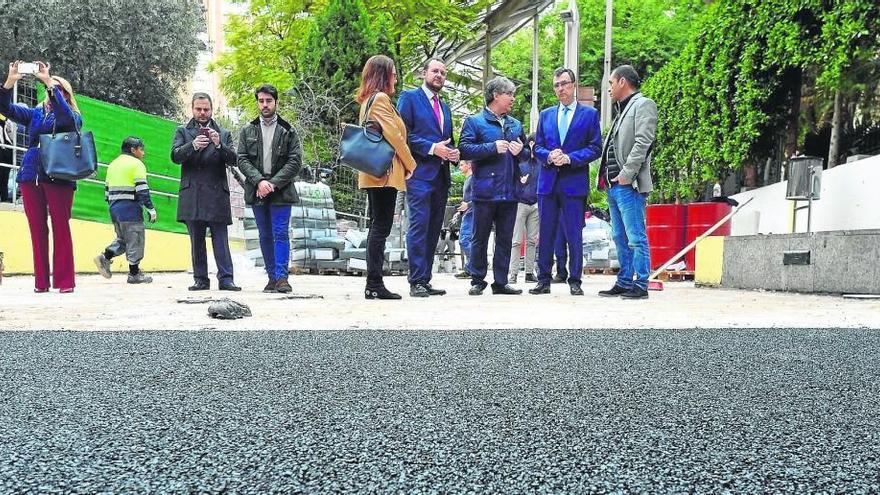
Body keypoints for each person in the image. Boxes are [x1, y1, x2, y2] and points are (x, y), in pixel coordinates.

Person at [0, 61, 81, 293]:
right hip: (30, 175)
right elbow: (5, 109)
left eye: (57, 89)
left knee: (60, 227)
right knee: (37, 230)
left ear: (65, 94)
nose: (50, 92)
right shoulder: (35, 114)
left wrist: (48, 82)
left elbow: (65, 119)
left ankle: (65, 282)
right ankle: (41, 282)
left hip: (59, 176)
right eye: (48, 88)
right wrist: (10, 81)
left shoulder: (72, 116)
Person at [530, 67, 602, 296]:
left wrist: (570, 158)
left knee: (574, 234)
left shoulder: (589, 115)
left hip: (573, 182)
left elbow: (595, 148)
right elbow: (537, 146)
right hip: (548, 182)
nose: (560, 88)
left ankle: (575, 279)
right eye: (557, 85)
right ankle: (543, 279)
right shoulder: (546, 115)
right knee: (546, 232)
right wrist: (549, 156)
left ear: (574, 85)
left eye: (564, 83)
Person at [458, 76, 529, 296]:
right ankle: (477, 279)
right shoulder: (475, 121)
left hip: (509, 190)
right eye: (509, 94)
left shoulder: (515, 124)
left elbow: (526, 154)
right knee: (480, 236)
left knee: (505, 238)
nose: (513, 99)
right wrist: (491, 147)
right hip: (484, 190)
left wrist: (521, 153)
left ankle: (501, 281)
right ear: (496, 95)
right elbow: (464, 149)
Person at [356, 55, 417, 300]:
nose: (395, 77)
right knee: (380, 227)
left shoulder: (369, 100)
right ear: (383, 75)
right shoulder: (380, 99)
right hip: (384, 173)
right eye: (392, 73)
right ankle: (374, 283)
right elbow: (394, 136)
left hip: (377, 172)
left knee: (377, 226)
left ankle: (374, 282)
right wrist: (411, 164)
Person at [397, 58, 458, 298]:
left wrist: (453, 153)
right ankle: (415, 281)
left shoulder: (445, 107)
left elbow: (447, 139)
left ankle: (425, 278)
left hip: (441, 176)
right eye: (435, 71)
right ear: (424, 73)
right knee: (418, 228)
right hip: (419, 174)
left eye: (443, 73)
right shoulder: (410, 99)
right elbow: (403, 135)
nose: (439, 76)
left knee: (434, 230)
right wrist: (433, 148)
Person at [597, 65, 657, 300]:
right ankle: (624, 280)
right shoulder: (623, 110)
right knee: (620, 237)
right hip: (614, 186)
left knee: (635, 237)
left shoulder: (643, 104)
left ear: (622, 81)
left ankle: (641, 283)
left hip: (627, 184)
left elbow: (644, 142)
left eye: (611, 83)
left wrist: (627, 174)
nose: (609, 89)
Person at [236, 84, 302, 294]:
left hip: (281, 191)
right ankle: (272, 277)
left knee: (280, 232)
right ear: (257, 102)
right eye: (261, 101)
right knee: (264, 234)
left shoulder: (288, 130)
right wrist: (259, 181)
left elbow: (295, 161)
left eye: (269, 101)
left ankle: (282, 277)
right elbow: (242, 159)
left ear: (276, 102)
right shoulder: (248, 130)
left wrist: (272, 183)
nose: (265, 105)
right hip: (257, 190)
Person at [171, 92, 240, 291]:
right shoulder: (182, 131)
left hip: (217, 193)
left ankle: (226, 279)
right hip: (192, 194)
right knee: (196, 240)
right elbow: (175, 156)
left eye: (206, 109)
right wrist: (192, 146)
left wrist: (219, 145)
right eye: (198, 109)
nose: (202, 113)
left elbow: (234, 159)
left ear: (211, 110)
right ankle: (200, 279)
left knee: (220, 239)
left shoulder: (223, 133)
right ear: (192, 109)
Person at [93, 137, 156, 284]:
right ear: (133, 150)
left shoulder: (113, 164)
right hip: (130, 208)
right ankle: (134, 273)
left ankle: (105, 257)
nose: (143, 153)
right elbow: (142, 189)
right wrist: (150, 208)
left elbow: (107, 190)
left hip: (114, 208)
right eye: (141, 149)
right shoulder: (137, 164)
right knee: (135, 239)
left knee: (123, 239)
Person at [508, 133, 539, 284]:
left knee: (532, 240)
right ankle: (513, 273)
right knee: (516, 240)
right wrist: (519, 182)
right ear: (531, 144)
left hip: (536, 204)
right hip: (520, 203)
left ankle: (529, 272)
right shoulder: (520, 160)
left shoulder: (541, 162)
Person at [452, 160, 473, 279]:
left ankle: (475, 264)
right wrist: (459, 212)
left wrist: (468, 206)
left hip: (472, 214)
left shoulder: (472, 179)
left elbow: (476, 198)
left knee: (464, 240)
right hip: (467, 213)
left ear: (469, 165)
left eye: (461, 165)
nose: (459, 167)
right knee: (466, 240)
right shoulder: (467, 179)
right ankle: (470, 268)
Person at [0, 112, 14, 202]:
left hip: (6, 151)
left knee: (4, 179)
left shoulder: (7, 120)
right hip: (2, 149)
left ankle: (4, 199)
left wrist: (6, 120)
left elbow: (11, 134)